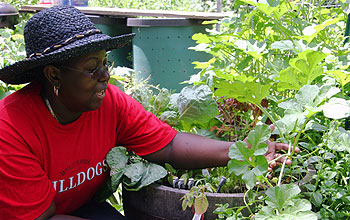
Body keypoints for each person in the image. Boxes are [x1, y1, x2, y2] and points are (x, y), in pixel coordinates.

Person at [0, 5, 297, 220]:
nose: (105, 76)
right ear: (53, 75)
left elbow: (167, 144)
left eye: (106, 63)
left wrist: (245, 151)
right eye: (92, 68)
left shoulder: (109, 102)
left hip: (77, 208)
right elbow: (41, 217)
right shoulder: (11, 127)